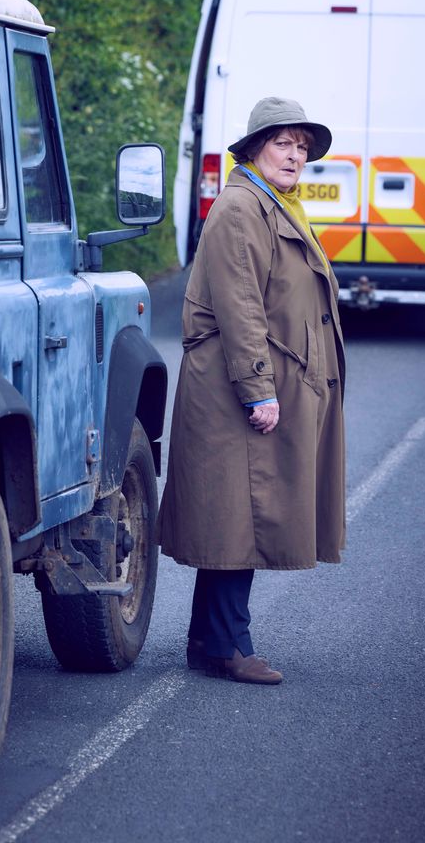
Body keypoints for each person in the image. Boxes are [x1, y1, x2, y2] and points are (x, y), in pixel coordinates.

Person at [156, 97, 346, 685]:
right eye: (283, 143)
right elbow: (240, 308)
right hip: (237, 383)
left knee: (234, 515)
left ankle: (209, 639)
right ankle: (227, 646)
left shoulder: (275, 203)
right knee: (241, 515)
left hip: (260, 377)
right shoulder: (243, 207)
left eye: (302, 147)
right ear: (255, 148)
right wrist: (258, 391)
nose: (295, 156)